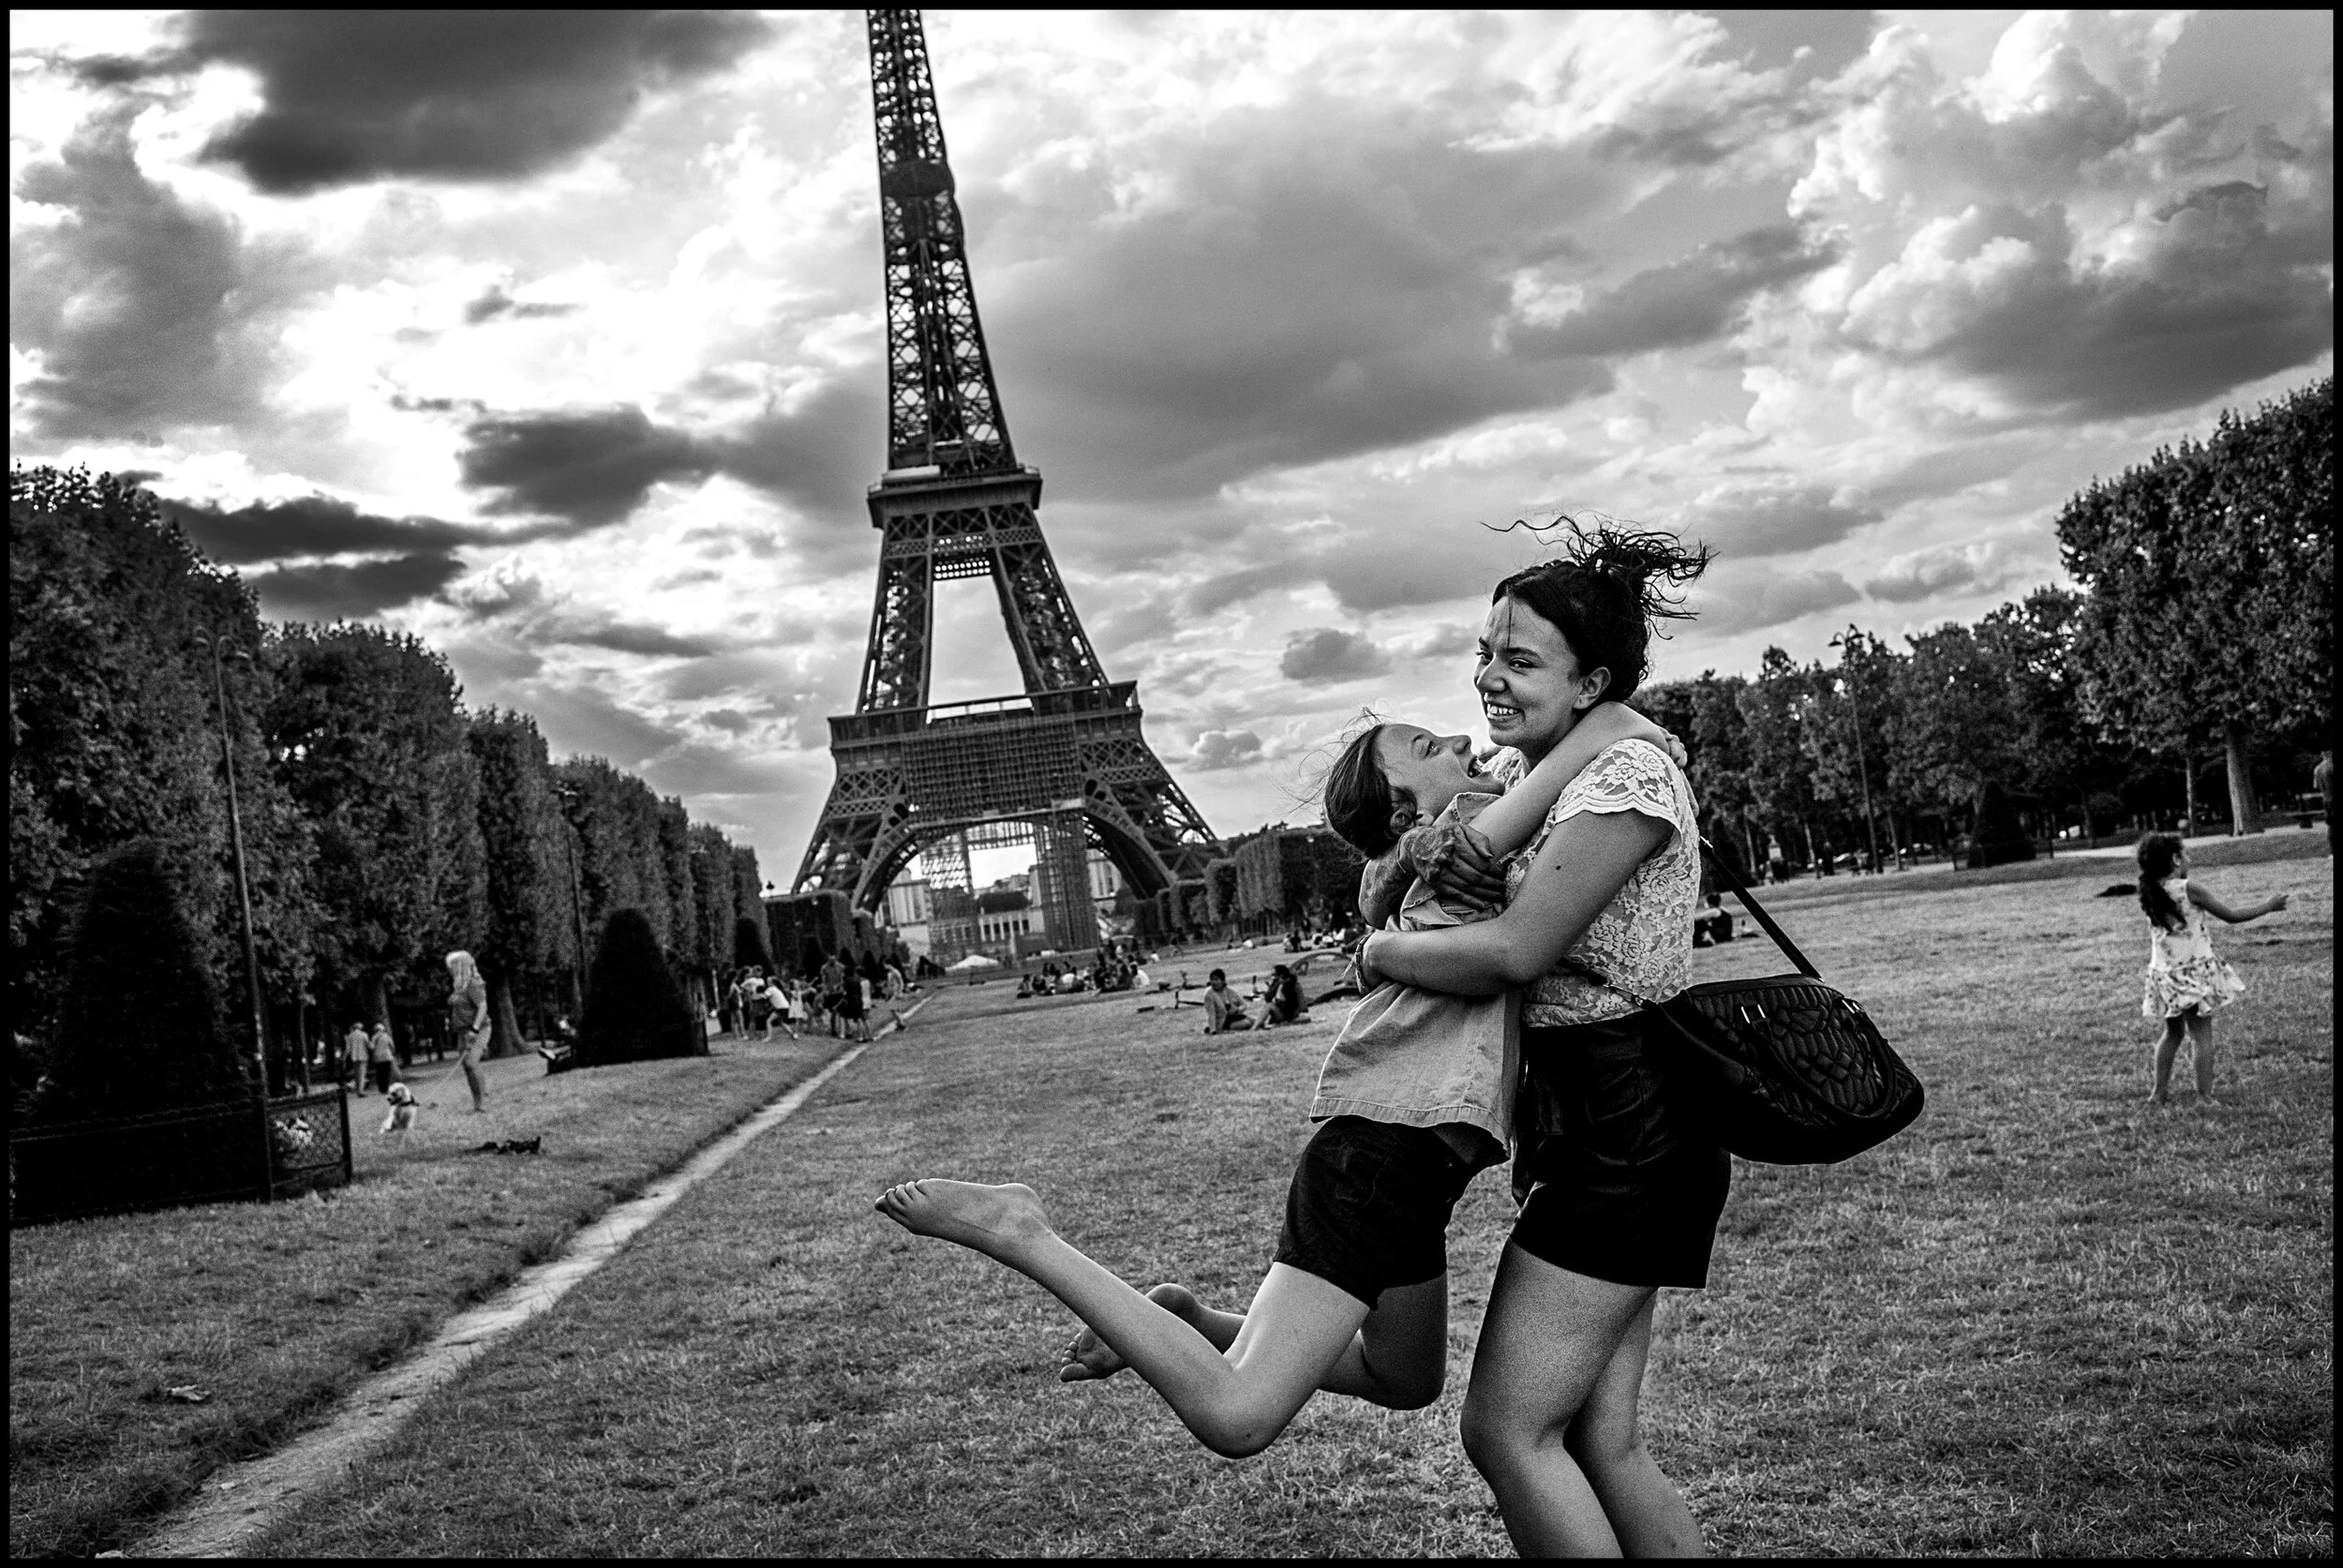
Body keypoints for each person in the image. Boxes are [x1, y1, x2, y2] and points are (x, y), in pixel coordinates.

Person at [871, 692, 1671, 1467]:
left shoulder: (1434, 851)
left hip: (1423, 1164)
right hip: (1381, 1154)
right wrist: (1618, 725)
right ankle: (1024, 1231)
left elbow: (1381, 881)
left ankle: (1193, 1317)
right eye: (1431, 749)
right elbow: (1553, 771)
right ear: (1404, 815)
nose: (1463, 744)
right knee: (1239, 1415)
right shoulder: (1459, 832)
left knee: (1405, 1378)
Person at [1355, 525, 1721, 1556]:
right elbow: (1462, 862)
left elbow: (1517, 950)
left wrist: (1382, 953)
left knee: (1507, 1430)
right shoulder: (1573, 766)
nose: (1487, 679)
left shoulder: (1626, 779)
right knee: (1604, 1441)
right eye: (1486, 652)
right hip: (1594, 1119)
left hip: (1625, 1125)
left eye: (1519, 661)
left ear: (1591, 679)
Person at [2134, 833, 2288, 1104]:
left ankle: (2158, 1093)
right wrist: (2269, 906)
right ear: (2175, 859)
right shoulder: (2189, 889)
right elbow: (2230, 916)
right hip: (2194, 973)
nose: (2189, 860)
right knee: (2201, 1036)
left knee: (2172, 1033)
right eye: (2186, 855)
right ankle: (2205, 1097)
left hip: (2165, 975)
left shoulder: (2151, 891)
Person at [445, 949, 491, 1113]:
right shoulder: (458, 986)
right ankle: (477, 1102)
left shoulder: (472, 983)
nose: (449, 970)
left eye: (451, 966)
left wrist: (475, 1029)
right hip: (462, 1031)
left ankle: (481, 1101)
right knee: (467, 1066)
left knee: (471, 1063)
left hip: (479, 1029)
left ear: (460, 966)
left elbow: (482, 1006)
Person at [1249, 963, 1306, 1029]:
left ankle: (1254, 1028)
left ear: (1280, 976)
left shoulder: (1288, 986)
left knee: (1269, 1005)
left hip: (1287, 1015)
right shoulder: (1279, 983)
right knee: (1269, 1005)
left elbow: (1289, 1004)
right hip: (1282, 1012)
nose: (1272, 977)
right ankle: (1258, 1025)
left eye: (1274, 975)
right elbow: (1268, 997)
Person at [1201, 969, 1249, 1034]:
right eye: (1212, 980)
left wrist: (1237, 1010)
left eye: (1216, 979)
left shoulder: (1228, 991)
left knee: (1253, 1020)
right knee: (1247, 1023)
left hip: (1232, 1017)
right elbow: (1211, 1013)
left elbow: (1244, 1005)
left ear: (1223, 981)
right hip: (1221, 1022)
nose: (1214, 982)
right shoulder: (1210, 994)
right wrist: (1213, 1030)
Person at [818, 953, 848, 1038]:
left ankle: (843, 1030)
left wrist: (839, 985)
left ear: (836, 959)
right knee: (833, 1012)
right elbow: (823, 980)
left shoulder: (841, 967)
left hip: (839, 992)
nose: (831, 961)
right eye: (830, 960)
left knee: (841, 1011)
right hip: (830, 992)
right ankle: (834, 1029)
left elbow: (843, 979)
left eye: (833, 960)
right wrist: (825, 990)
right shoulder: (824, 968)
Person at [366, 1017, 397, 1096]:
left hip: (378, 1058)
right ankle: (386, 1088)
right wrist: (392, 1053)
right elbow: (392, 1045)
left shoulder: (374, 1037)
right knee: (386, 1073)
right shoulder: (387, 1036)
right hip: (387, 1056)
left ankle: (381, 1088)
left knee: (380, 1073)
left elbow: (371, 1047)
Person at [342, 1019, 370, 1095]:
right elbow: (369, 1045)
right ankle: (360, 1091)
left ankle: (358, 1089)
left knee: (356, 1074)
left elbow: (348, 1049)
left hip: (354, 1057)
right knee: (362, 1074)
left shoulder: (350, 1036)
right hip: (363, 1056)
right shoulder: (364, 1035)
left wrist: (344, 1058)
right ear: (360, 1028)